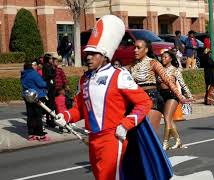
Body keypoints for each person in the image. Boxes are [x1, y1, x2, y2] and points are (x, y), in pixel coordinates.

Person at [54, 15, 152, 180]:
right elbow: (80, 108)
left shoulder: (119, 75)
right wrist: (66, 116)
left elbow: (144, 102)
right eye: (88, 54)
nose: (89, 57)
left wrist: (126, 124)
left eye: (94, 54)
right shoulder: (84, 79)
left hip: (113, 137)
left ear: (105, 55)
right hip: (92, 138)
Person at [129, 39, 191, 133]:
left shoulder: (153, 63)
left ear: (146, 50)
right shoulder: (132, 65)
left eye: (138, 48)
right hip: (138, 99)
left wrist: (180, 97)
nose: (135, 50)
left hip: (152, 99)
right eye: (134, 48)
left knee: (149, 134)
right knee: (136, 134)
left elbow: (168, 81)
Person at [159, 50, 193, 150]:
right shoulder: (159, 69)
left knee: (166, 118)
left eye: (165, 57)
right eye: (162, 57)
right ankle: (178, 141)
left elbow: (183, 84)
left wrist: (189, 96)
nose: (163, 59)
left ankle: (165, 143)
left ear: (170, 59)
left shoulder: (175, 70)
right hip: (162, 95)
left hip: (172, 95)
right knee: (169, 119)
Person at [21, 62, 49, 141]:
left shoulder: (23, 74)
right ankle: (40, 134)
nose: (36, 66)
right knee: (38, 116)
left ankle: (31, 134)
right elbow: (41, 84)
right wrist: (46, 83)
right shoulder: (33, 74)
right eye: (35, 65)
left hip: (27, 96)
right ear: (31, 67)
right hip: (37, 96)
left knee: (30, 116)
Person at [42, 53, 56, 128]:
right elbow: (50, 75)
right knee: (50, 103)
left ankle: (50, 119)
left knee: (51, 103)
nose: (51, 60)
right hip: (49, 86)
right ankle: (50, 120)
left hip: (51, 85)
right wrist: (54, 70)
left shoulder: (49, 66)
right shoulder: (46, 66)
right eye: (50, 59)